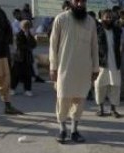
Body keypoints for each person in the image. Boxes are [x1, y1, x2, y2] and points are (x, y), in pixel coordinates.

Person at [49, 0, 99, 144]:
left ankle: (74, 130)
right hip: (65, 68)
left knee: (79, 100)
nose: (79, 4)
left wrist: (96, 68)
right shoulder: (61, 19)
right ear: (71, 2)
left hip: (84, 69)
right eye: (76, 1)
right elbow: (53, 45)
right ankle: (62, 129)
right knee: (63, 98)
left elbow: (94, 47)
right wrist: (53, 67)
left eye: (82, 1)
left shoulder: (90, 22)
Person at [94, 9, 122, 118]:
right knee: (99, 86)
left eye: (110, 17)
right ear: (102, 18)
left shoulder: (117, 30)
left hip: (115, 63)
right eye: (106, 17)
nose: (109, 19)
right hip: (101, 63)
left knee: (115, 87)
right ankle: (100, 108)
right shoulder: (97, 30)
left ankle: (113, 109)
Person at [10, 20, 36, 97]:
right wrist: (28, 46)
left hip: (27, 58)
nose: (27, 29)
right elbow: (19, 45)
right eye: (25, 27)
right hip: (19, 58)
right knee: (16, 74)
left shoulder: (30, 35)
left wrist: (29, 37)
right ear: (22, 27)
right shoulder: (18, 35)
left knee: (28, 75)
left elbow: (34, 44)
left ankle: (28, 90)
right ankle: (12, 88)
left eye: (28, 27)